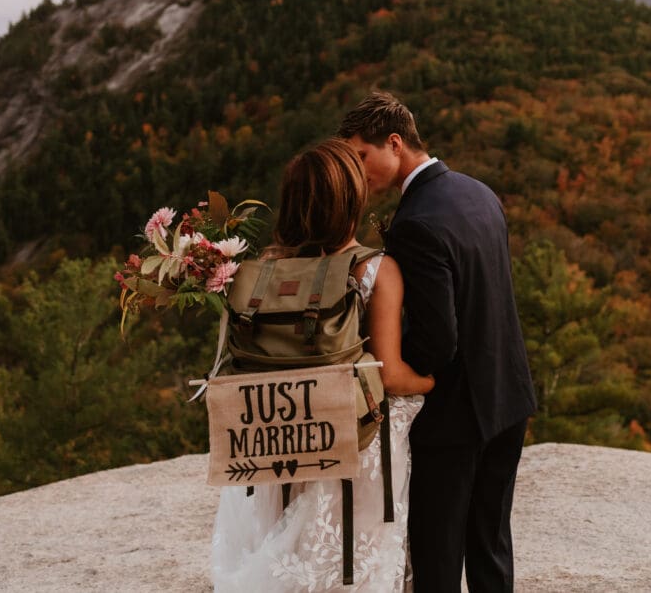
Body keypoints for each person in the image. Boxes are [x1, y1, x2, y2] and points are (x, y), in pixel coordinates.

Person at [211, 139, 435, 592]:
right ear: (353, 201)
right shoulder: (374, 270)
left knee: (290, 555)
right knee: (353, 563)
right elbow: (388, 375)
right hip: (354, 446)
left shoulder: (261, 273)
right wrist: (431, 380)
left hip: (282, 442)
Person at [338, 91, 538, 592]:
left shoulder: (416, 223)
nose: (359, 172)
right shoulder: (479, 192)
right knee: (490, 544)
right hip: (509, 397)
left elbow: (439, 336)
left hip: (454, 415)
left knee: (437, 553)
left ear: (395, 142)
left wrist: (407, 375)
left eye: (361, 157)